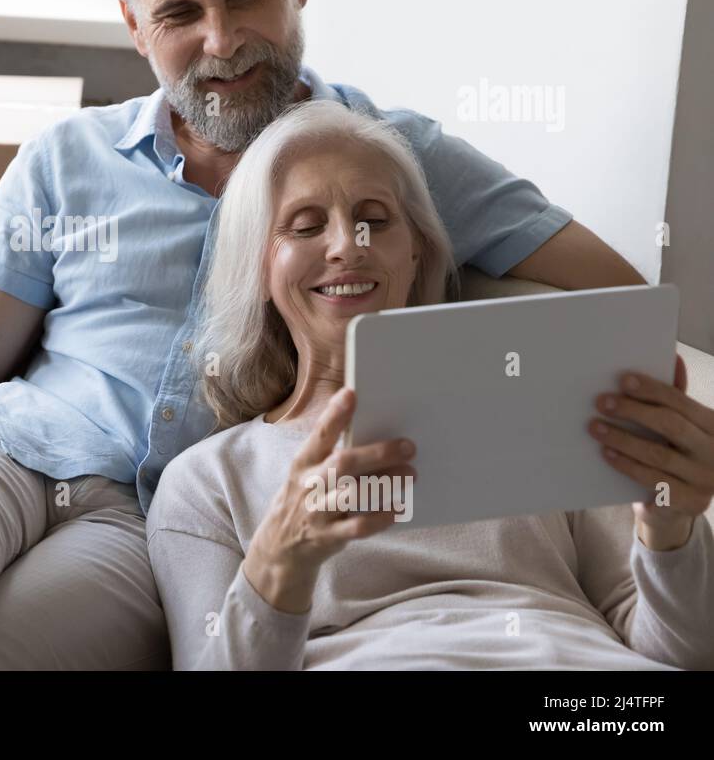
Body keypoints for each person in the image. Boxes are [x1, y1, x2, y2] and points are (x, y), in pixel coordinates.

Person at [0, 0, 644, 670]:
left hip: (149, 522)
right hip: (7, 453)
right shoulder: (66, 157)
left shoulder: (386, 154)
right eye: (179, 14)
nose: (222, 40)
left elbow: (618, 297)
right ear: (134, 26)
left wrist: (447, 388)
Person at [146, 99, 714, 670]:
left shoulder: (551, 411)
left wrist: (670, 532)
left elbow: (681, 655)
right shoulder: (205, 483)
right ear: (260, 268)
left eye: (375, 218)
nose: (348, 244)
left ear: (415, 252)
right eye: (306, 226)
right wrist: (278, 568)